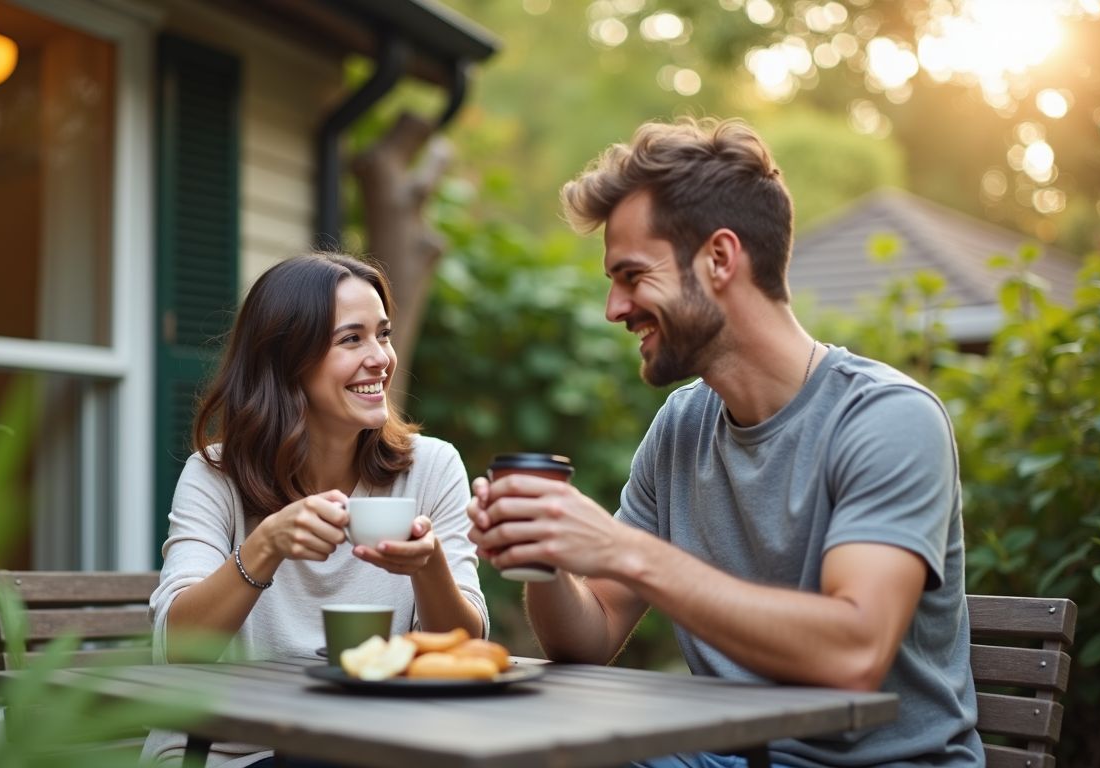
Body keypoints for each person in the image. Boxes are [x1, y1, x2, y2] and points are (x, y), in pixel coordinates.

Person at [467, 118, 983, 767]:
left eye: (630, 275)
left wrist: (624, 550)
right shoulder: (682, 428)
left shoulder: (886, 419)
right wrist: (544, 556)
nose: (613, 308)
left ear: (718, 259)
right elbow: (589, 637)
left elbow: (853, 653)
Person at [143, 253, 487, 767]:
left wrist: (429, 563)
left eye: (384, 334)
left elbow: (464, 646)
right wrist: (265, 546)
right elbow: (178, 648)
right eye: (352, 339)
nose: (381, 358)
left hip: (372, 750)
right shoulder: (216, 476)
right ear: (286, 361)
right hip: (228, 754)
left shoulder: (431, 467)